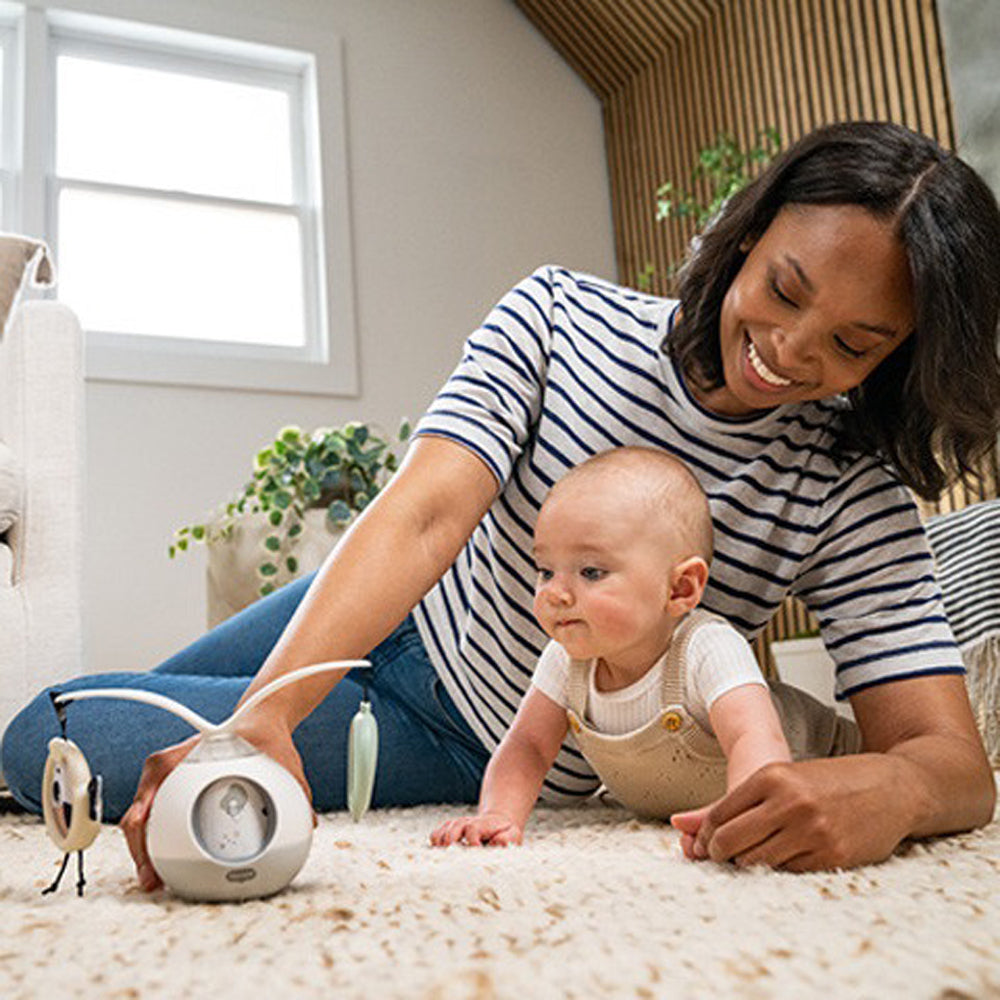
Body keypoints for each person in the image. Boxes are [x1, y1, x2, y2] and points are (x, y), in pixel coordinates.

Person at [4, 121, 999, 884]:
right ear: (747, 235)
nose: (791, 349)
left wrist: (898, 785)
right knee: (111, 712)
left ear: (900, 356)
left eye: (854, 344)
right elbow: (427, 511)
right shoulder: (559, 315)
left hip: (471, 733)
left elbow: (954, 762)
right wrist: (266, 715)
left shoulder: (848, 488)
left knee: (39, 739)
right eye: (783, 290)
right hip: (395, 612)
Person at [430, 447, 859, 849]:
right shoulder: (566, 660)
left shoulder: (707, 647)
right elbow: (529, 746)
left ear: (680, 588)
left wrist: (743, 815)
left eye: (591, 571)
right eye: (545, 570)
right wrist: (497, 814)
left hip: (838, 763)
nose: (555, 593)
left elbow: (755, 737)